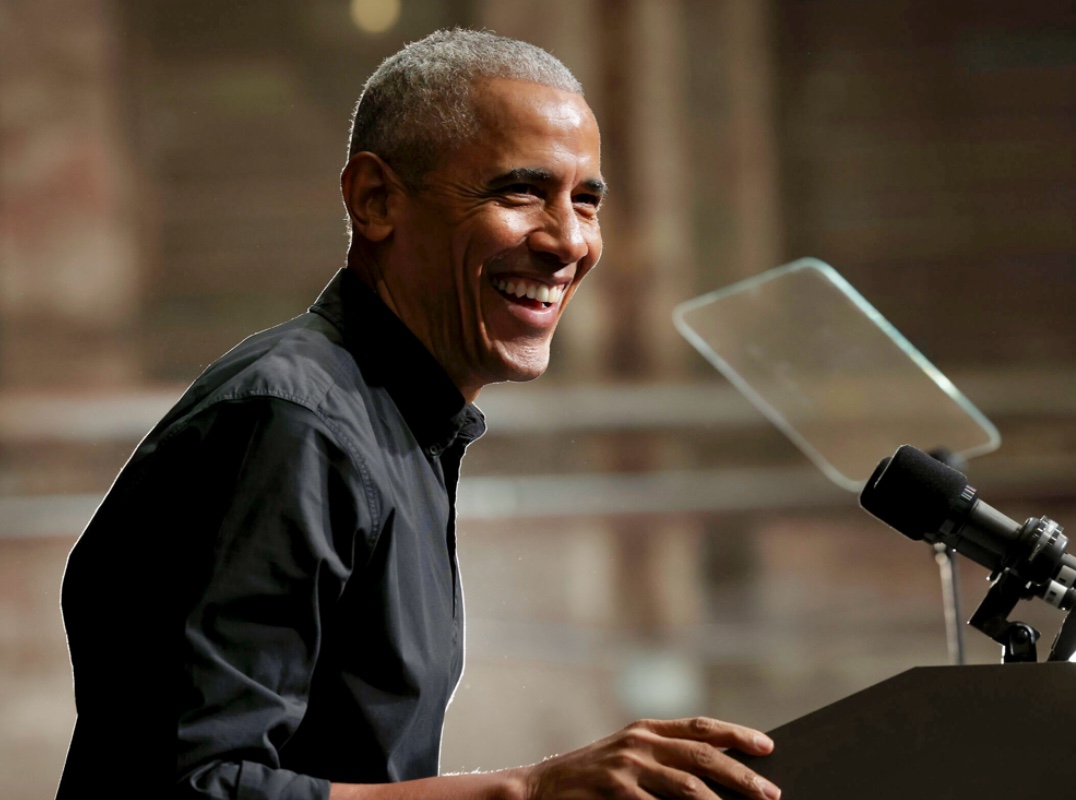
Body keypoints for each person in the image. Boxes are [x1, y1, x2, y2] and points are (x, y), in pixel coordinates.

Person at [56, 28, 780, 800]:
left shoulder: (392, 419)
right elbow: (193, 788)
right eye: (521, 192)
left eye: (587, 201)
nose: (568, 241)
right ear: (375, 200)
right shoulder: (295, 424)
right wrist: (527, 793)